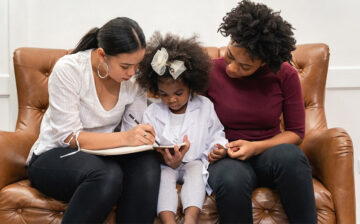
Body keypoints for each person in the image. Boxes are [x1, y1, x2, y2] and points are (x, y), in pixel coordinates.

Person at [26, 17, 161, 223]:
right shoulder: (69, 69)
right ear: (102, 55)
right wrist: (127, 137)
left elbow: (133, 129)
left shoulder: (133, 79)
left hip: (105, 156)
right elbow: (68, 137)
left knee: (148, 164)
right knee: (106, 175)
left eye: (137, 65)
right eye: (125, 66)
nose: (132, 73)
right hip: (56, 155)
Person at [206, 1, 317, 223]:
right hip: (228, 157)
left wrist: (255, 147)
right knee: (231, 179)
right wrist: (213, 148)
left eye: (245, 66)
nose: (232, 68)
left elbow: (295, 132)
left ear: (265, 62)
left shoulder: (285, 75)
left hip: (268, 154)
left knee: (291, 157)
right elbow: (189, 115)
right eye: (230, 56)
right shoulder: (208, 71)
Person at [137, 32, 228, 224]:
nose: (172, 99)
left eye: (179, 93)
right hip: (165, 164)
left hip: (194, 160)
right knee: (162, 179)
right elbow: (147, 142)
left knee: (196, 175)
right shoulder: (152, 112)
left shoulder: (205, 106)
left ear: (192, 87)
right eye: (164, 94)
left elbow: (217, 134)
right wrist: (162, 155)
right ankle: (168, 220)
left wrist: (217, 148)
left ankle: (190, 219)